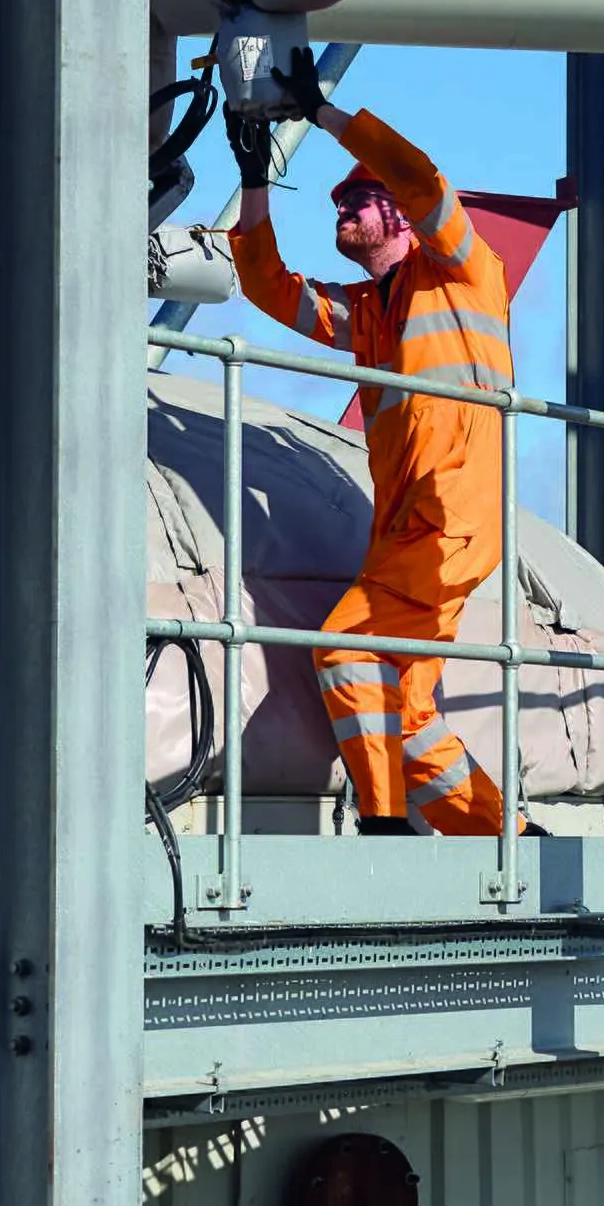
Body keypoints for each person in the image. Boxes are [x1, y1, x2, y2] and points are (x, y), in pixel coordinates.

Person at [232, 106, 521, 836]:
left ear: (393, 211)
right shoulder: (363, 312)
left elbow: (421, 177)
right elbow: (268, 287)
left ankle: (384, 824)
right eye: (335, 202)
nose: (339, 209)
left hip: (451, 519)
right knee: (408, 712)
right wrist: (254, 179)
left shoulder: (464, 269)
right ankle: (507, 839)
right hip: (402, 531)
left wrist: (326, 115)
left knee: (344, 646)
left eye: (353, 199)